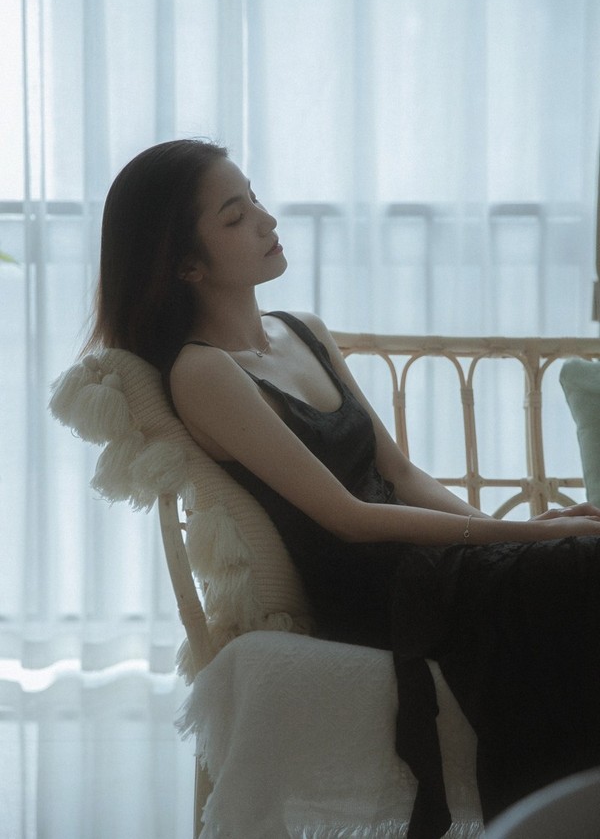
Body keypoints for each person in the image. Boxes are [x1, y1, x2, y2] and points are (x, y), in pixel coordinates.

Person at [87, 138, 600, 838]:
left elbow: (401, 474)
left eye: (254, 199)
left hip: (437, 566)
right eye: (235, 217)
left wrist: (515, 544)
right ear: (185, 265)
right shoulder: (203, 374)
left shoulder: (304, 331)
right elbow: (349, 518)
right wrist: (529, 533)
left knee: (578, 559)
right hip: (381, 592)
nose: (267, 220)